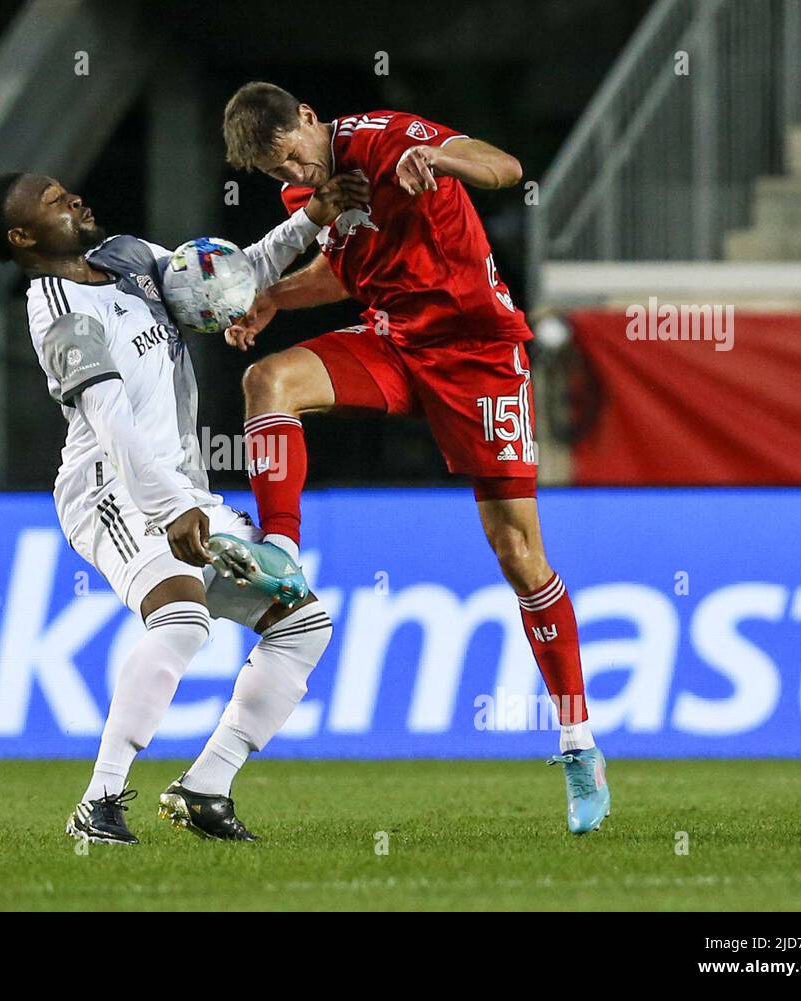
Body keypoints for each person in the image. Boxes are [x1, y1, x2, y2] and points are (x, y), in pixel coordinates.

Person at [220, 81, 610, 835]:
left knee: (519, 552)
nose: (293, 177)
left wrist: (440, 157)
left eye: (292, 157)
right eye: (276, 175)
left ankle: (577, 742)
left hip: (477, 354)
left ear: (308, 117)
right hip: (394, 342)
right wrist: (273, 300)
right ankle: (280, 549)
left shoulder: (386, 138)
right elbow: (347, 269)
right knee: (267, 377)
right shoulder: (319, 193)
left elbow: (503, 165)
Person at [0, 169, 366, 842]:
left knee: (304, 621)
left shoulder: (128, 257)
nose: (75, 199)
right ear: (24, 235)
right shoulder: (56, 308)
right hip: (110, 490)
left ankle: (206, 786)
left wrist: (311, 218)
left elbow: (228, 277)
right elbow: (110, 419)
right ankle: (100, 801)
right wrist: (170, 508)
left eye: (69, 190)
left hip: (182, 487)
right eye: (56, 203)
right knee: (182, 616)